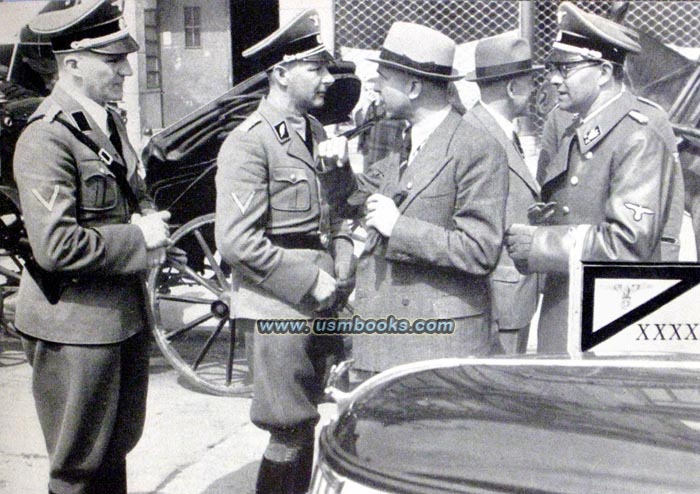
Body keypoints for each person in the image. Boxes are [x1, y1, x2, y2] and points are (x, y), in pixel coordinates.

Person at [12, 1, 172, 493]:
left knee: (113, 457)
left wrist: (149, 218)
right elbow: (56, 246)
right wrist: (138, 239)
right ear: (73, 64)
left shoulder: (108, 122)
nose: (126, 69)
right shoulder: (46, 138)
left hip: (121, 318)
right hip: (75, 327)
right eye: (112, 59)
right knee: (78, 470)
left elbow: (132, 192)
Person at [214, 10, 355, 494]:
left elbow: (334, 210)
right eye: (315, 68)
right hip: (279, 305)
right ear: (280, 74)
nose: (328, 78)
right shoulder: (248, 144)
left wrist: (340, 256)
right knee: (287, 428)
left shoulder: (312, 131)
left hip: (321, 298)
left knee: (310, 422)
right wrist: (307, 280)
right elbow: (235, 241)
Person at [321, 22, 508, 373]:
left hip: (437, 347)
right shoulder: (404, 141)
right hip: (387, 338)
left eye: (383, 77)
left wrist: (399, 228)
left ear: (413, 86)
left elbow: (481, 250)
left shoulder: (477, 148)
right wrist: (338, 169)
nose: (375, 86)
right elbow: (359, 202)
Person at [506, 2, 684, 354]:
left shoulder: (637, 138)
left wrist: (541, 244)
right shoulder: (579, 130)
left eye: (566, 69)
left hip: (609, 324)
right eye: (553, 68)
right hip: (569, 313)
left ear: (603, 72)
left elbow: (627, 245)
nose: (554, 79)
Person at [462, 35, 541, 354]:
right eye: (529, 82)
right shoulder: (476, 135)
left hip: (509, 299)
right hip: (494, 306)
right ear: (511, 88)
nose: (535, 89)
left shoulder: (495, 130)